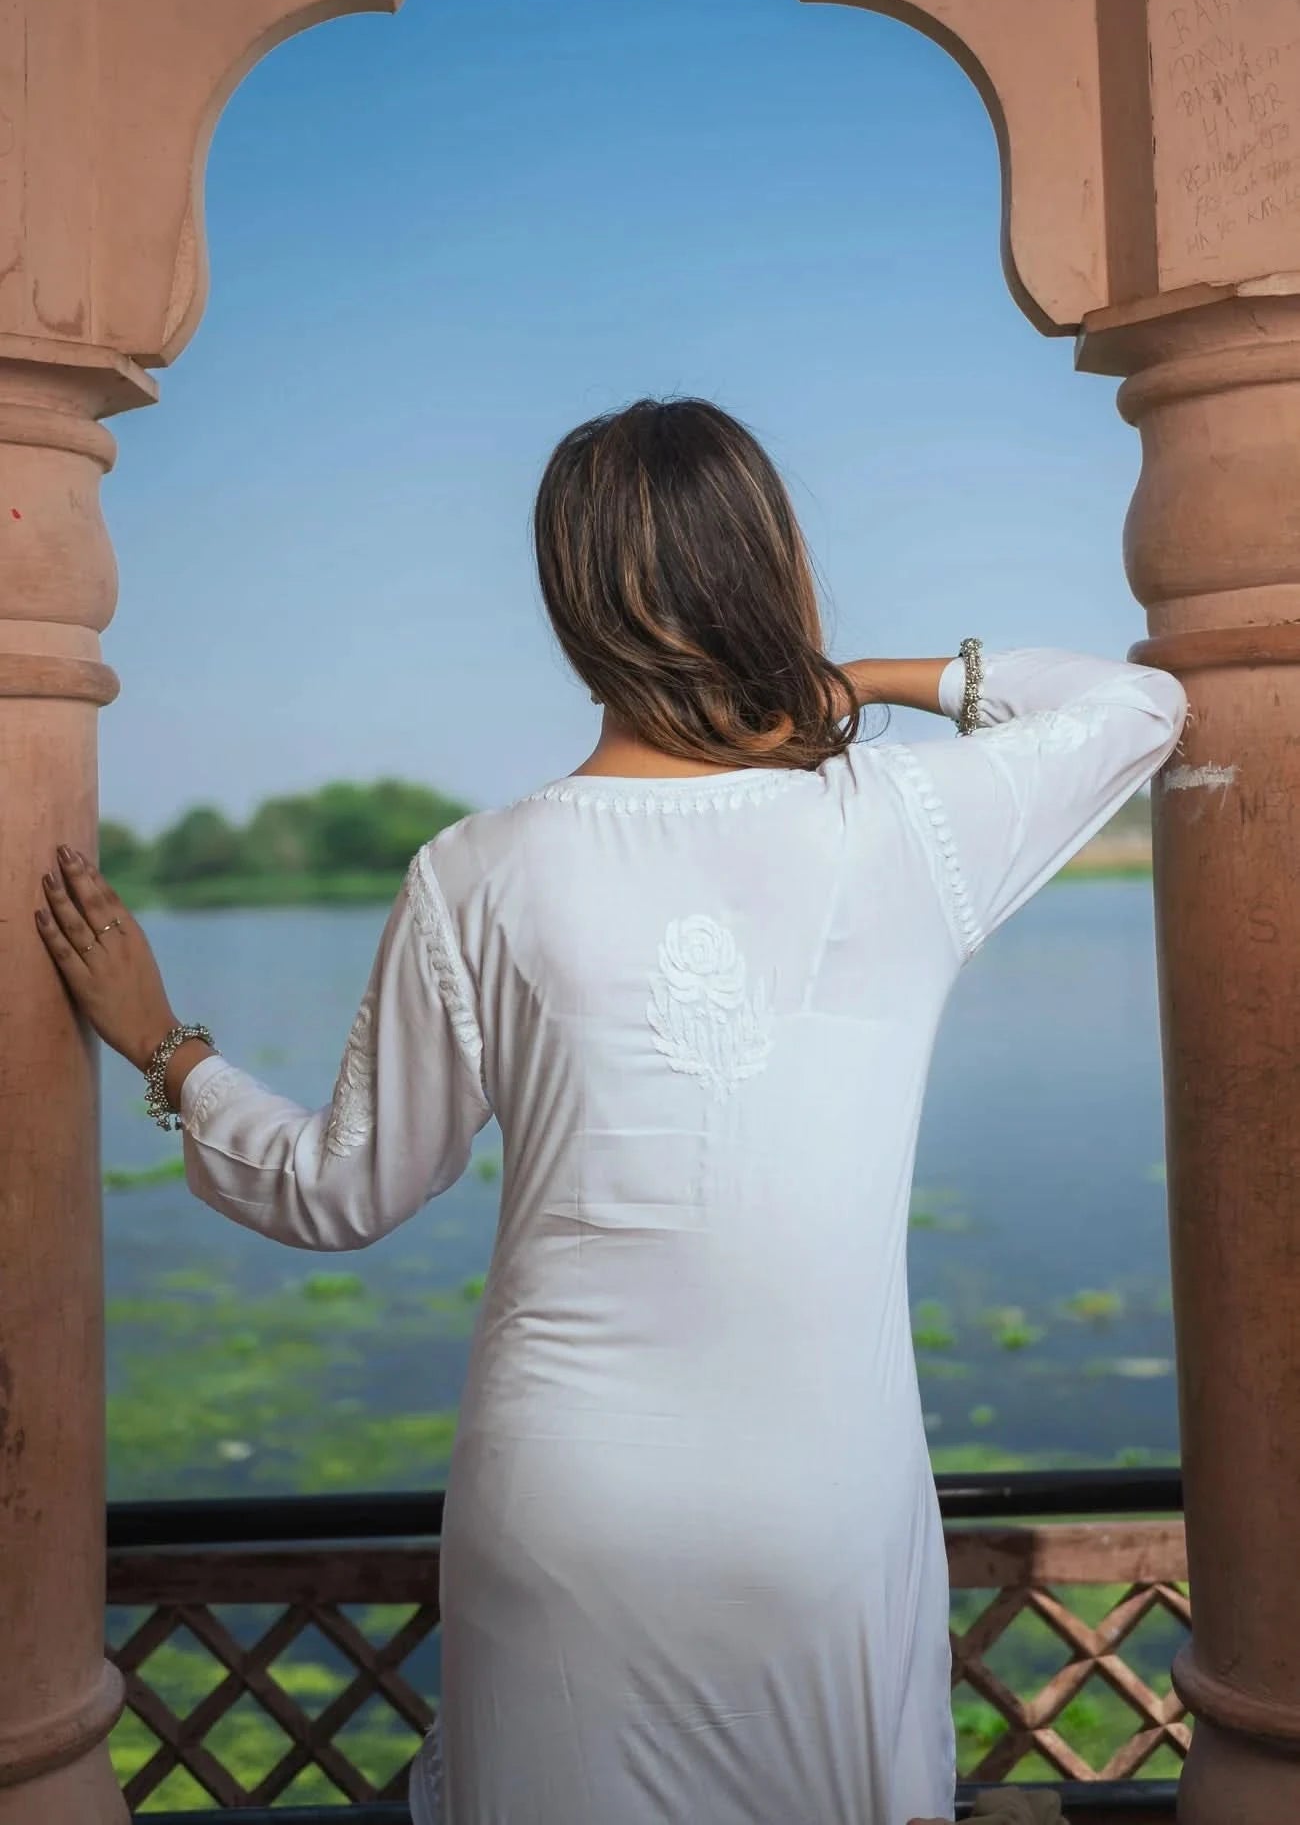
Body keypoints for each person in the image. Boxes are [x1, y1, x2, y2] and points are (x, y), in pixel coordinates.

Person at [36, 397, 1186, 1825]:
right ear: (769, 569)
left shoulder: (479, 872)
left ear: (570, 608)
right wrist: (851, 682)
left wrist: (163, 1045)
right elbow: (1138, 705)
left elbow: (340, 1191)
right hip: (818, 1501)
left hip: (565, 1503)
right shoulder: (896, 826)